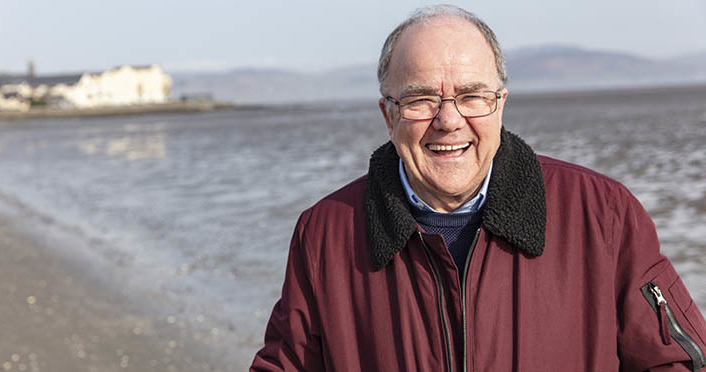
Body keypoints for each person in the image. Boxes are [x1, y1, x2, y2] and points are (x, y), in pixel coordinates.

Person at [251, 5, 706, 371]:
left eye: (471, 96)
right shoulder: (326, 233)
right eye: (420, 99)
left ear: (500, 104)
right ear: (387, 114)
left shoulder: (603, 214)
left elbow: (678, 361)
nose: (449, 121)